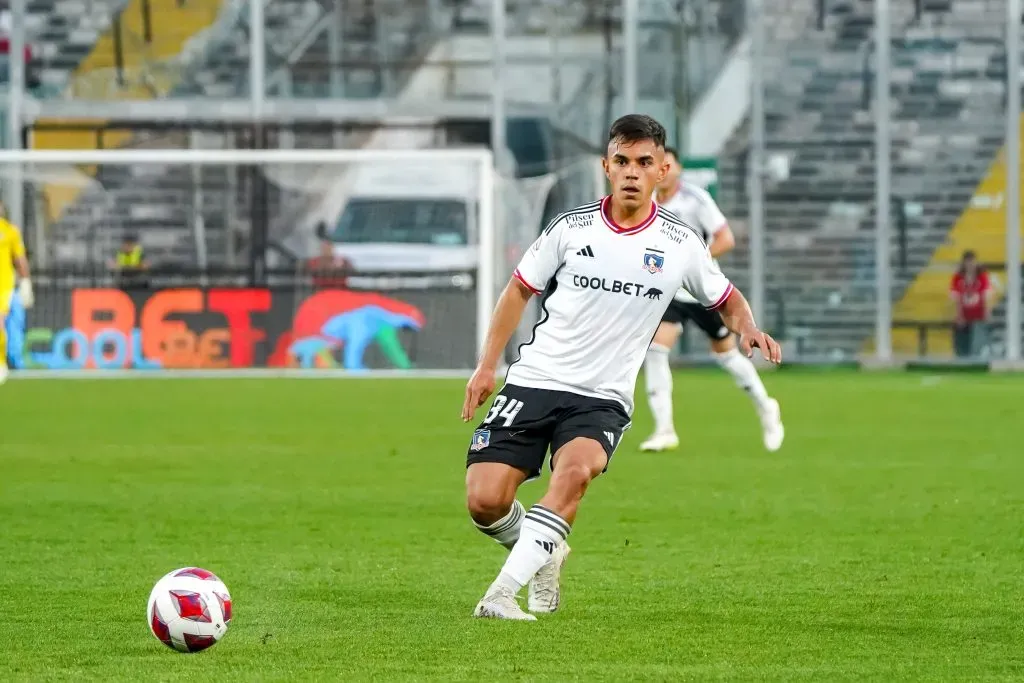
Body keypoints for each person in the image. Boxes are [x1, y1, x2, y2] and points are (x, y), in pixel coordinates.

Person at [461, 114, 782, 621]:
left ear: (663, 171)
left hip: (602, 396)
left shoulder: (679, 243)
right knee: (484, 501)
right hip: (535, 379)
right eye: (623, 161)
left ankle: (500, 594)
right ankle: (547, 549)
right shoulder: (570, 228)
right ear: (606, 167)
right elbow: (519, 288)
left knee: (574, 474)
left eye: (645, 162)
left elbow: (726, 296)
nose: (633, 171)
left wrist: (746, 326)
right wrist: (486, 367)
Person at [640, 148, 784, 453]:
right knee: (655, 348)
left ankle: (765, 406)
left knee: (727, 355)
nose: (663, 170)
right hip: (668, 289)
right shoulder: (646, 201)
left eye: (669, 164)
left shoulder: (696, 199)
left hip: (700, 288)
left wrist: (692, 262)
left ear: (677, 169)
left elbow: (725, 239)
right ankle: (664, 429)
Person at [0, 207, 33, 383]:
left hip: (3, 285)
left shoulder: (10, 231)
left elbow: (20, 258)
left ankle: (2, 363)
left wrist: (26, 282)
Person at [950, 250, 992, 358]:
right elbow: (956, 298)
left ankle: (977, 358)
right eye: (967, 262)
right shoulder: (958, 278)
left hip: (979, 315)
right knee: (962, 343)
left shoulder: (982, 277)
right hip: (964, 315)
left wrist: (987, 313)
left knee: (977, 342)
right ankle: (962, 358)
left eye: (972, 262)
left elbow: (985, 296)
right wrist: (958, 315)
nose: (970, 265)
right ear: (963, 263)